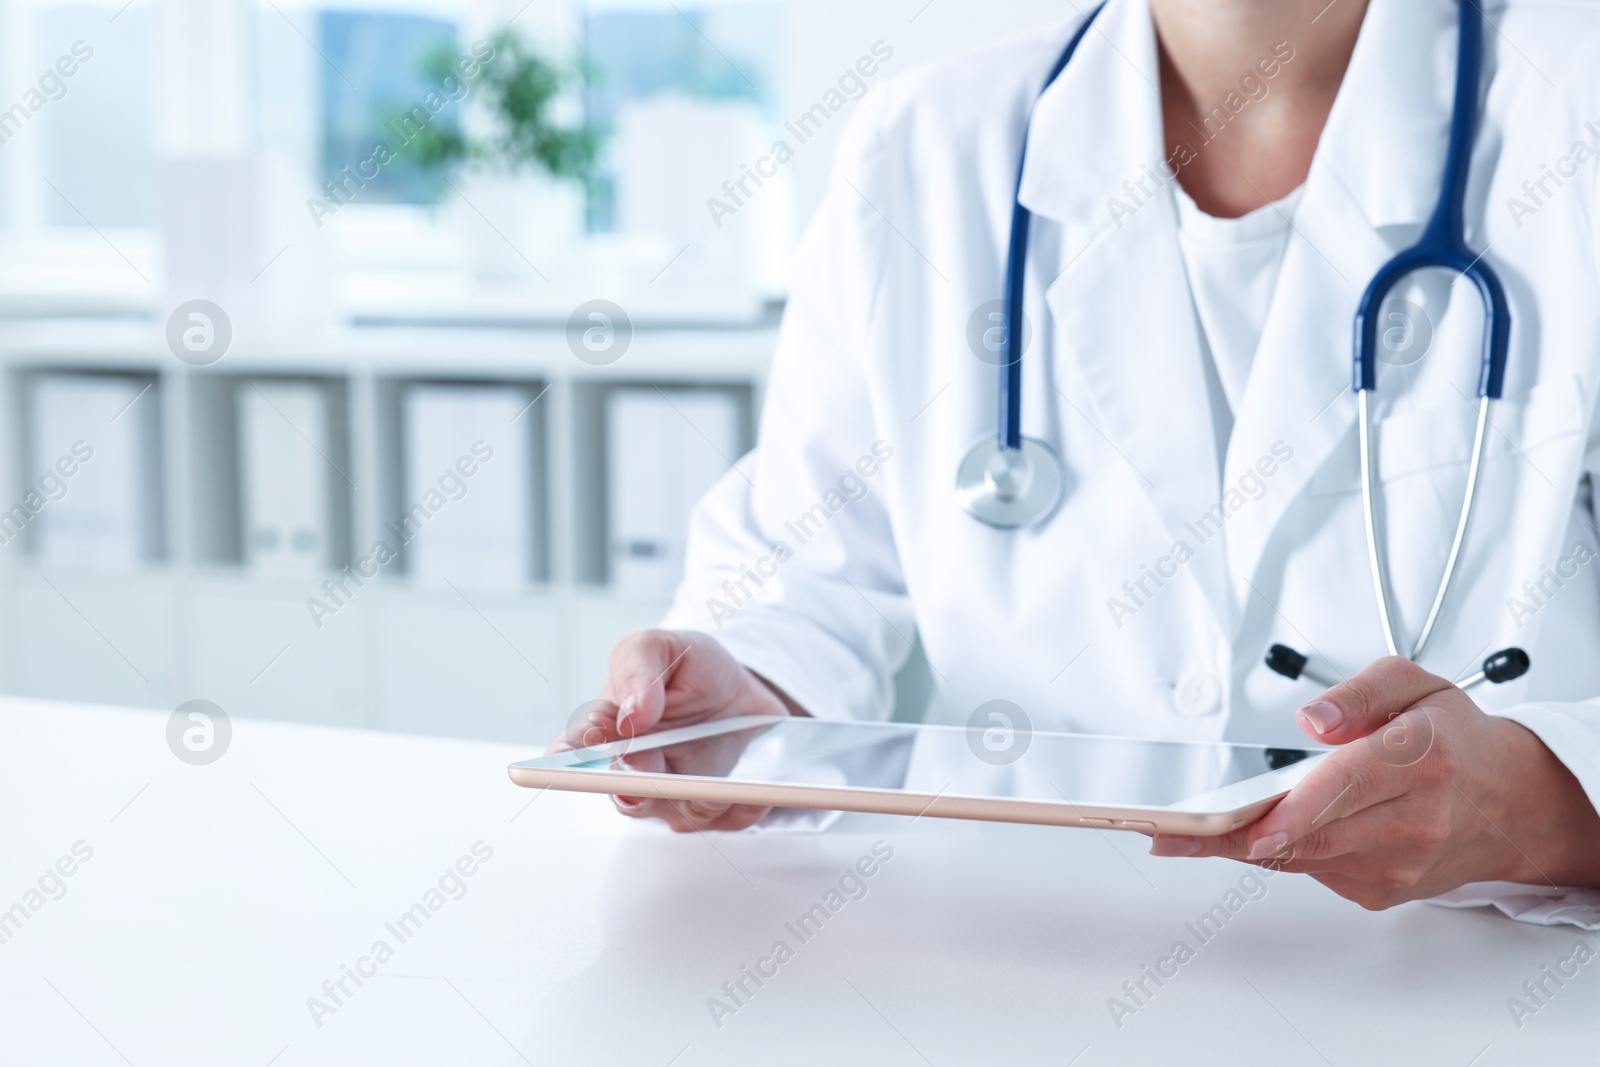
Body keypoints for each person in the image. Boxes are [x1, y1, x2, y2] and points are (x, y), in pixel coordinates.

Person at [556, 0, 1600, 914]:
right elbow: (803, 584)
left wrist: (1541, 807)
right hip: (1024, 968)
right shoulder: (922, 147)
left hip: (1476, 994)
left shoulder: (1573, 110)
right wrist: (736, 707)